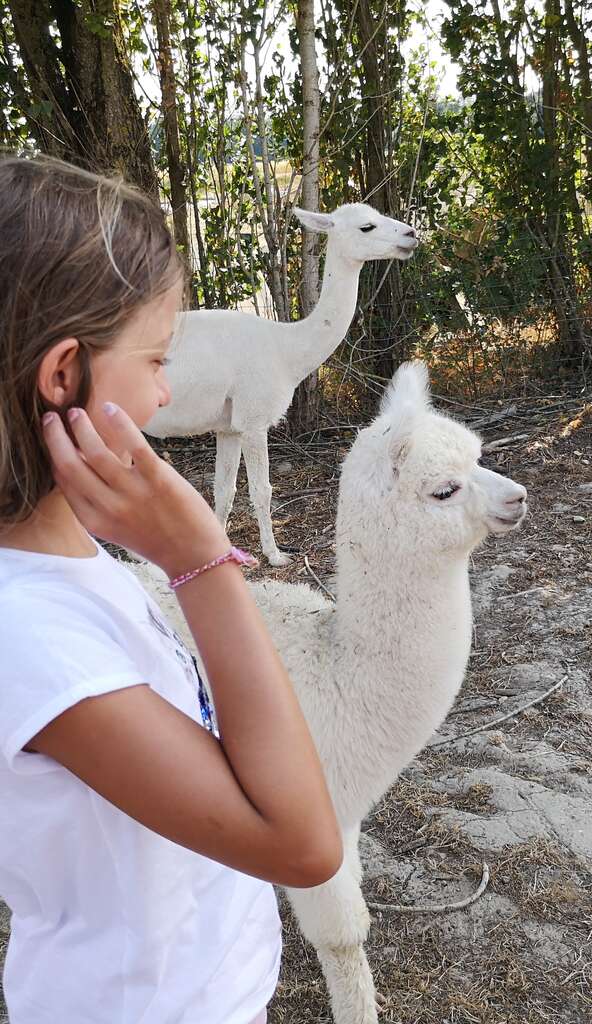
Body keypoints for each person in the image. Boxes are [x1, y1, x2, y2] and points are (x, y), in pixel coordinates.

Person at [0, 154, 343, 1024]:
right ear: (63, 375)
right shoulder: (28, 637)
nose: (164, 390)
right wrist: (200, 557)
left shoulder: (70, 560)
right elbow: (302, 844)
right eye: (156, 358)